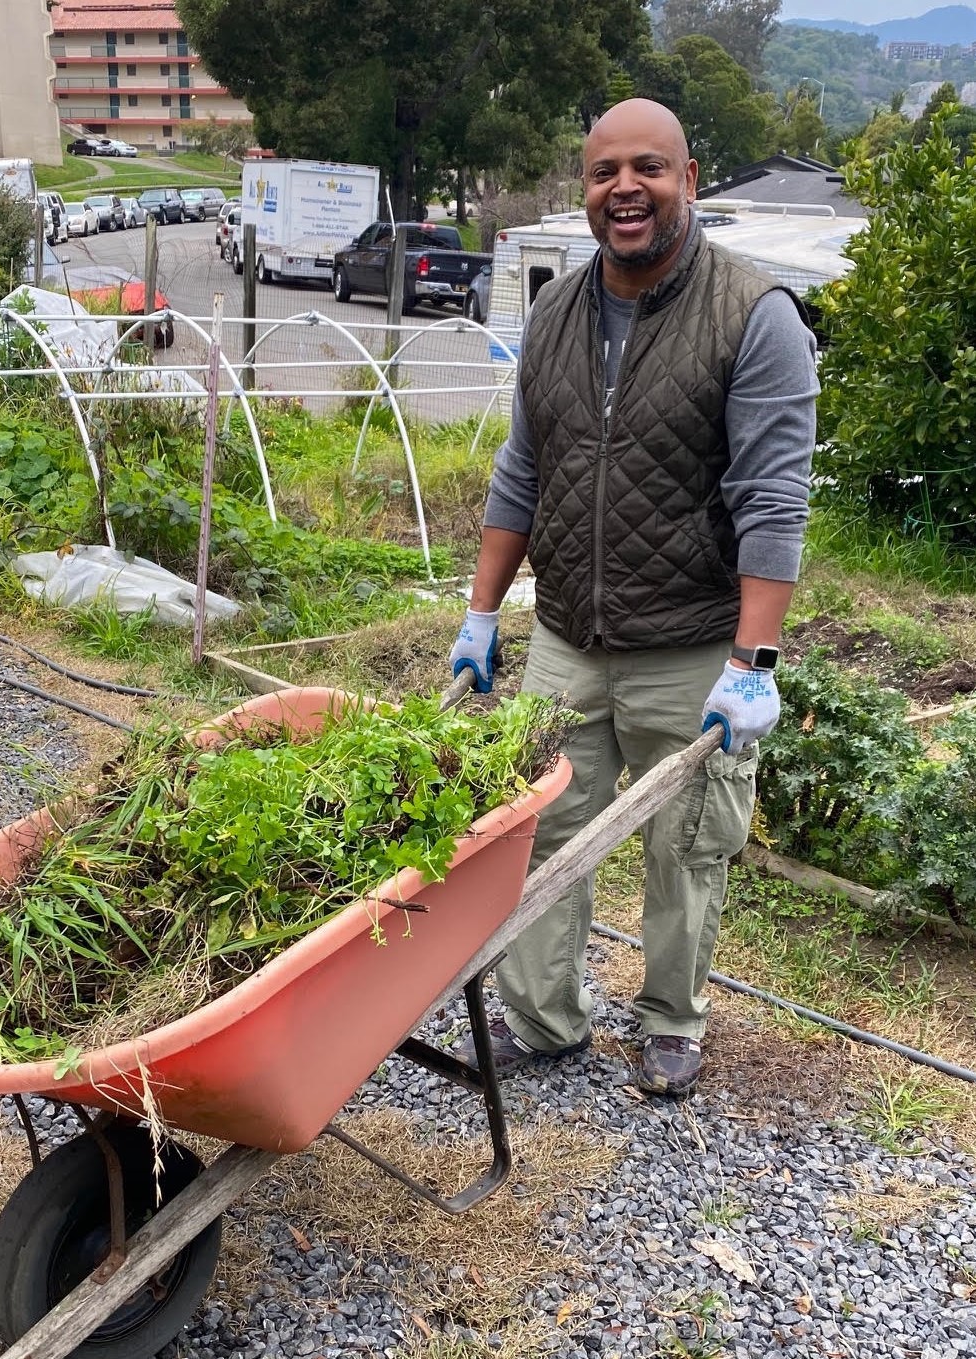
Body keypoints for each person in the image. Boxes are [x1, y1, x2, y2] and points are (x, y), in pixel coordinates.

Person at [448, 99, 819, 1097]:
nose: (626, 189)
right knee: (540, 828)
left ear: (688, 180)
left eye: (648, 168)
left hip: (693, 645)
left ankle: (670, 1020)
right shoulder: (559, 310)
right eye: (606, 171)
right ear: (587, 189)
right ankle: (545, 1016)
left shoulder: (752, 314)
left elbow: (773, 503)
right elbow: (523, 472)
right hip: (567, 635)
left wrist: (754, 665)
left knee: (686, 845)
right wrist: (483, 612)